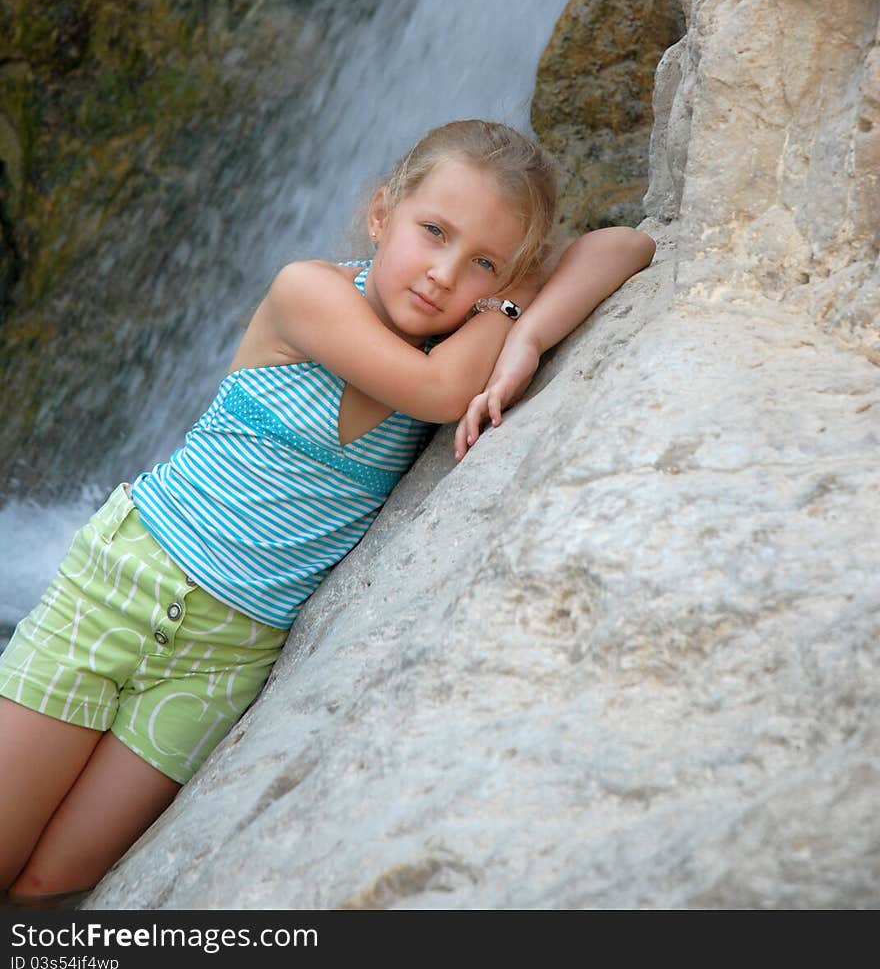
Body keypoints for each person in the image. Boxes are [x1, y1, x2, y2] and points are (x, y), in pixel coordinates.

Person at [0, 118, 655, 902]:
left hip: (228, 654)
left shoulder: (469, 329)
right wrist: (506, 310)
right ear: (381, 214)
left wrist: (528, 327)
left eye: (483, 261)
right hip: (121, 586)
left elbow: (624, 245)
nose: (445, 273)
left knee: (50, 881)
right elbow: (443, 392)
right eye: (433, 231)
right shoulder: (306, 292)